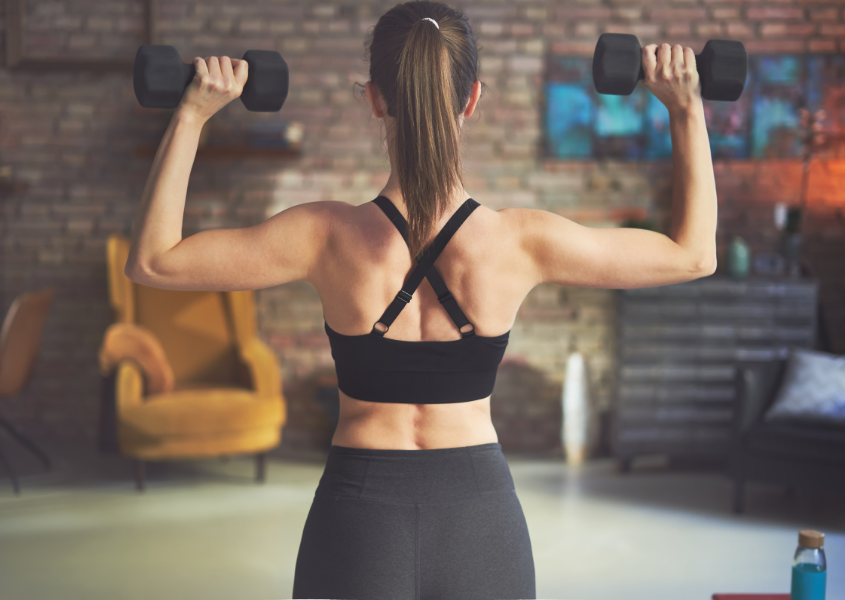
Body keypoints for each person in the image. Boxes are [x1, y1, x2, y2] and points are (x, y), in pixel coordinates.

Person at [124, 1, 717, 597]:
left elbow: (152, 261)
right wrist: (686, 108)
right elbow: (694, 254)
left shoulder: (324, 237)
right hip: (479, 520)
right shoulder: (522, 241)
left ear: (376, 99)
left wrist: (193, 113)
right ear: (472, 99)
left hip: (358, 517)